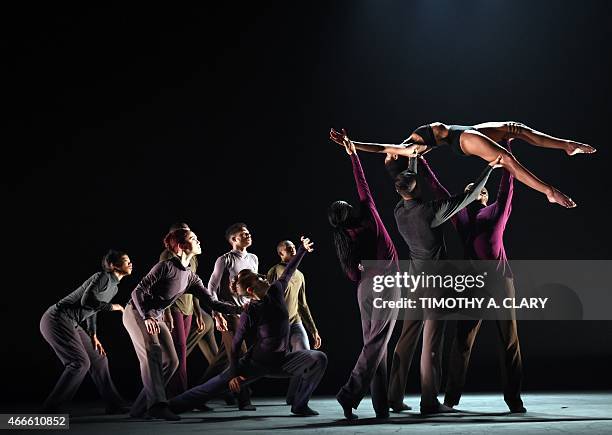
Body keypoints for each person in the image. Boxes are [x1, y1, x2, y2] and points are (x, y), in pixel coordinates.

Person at [327, 128, 501, 414]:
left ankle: (393, 398)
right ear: (417, 188)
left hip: (413, 283)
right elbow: (464, 200)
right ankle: (430, 402)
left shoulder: (399, 210)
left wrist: (413, 158)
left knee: (406, 340)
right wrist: (489, 169)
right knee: (430, 345)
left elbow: (407, 184)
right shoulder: (430, 212)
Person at [418, 142, 525, 413]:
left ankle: (514, 399)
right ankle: (451, 399)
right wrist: (422, 161)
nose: (478, 192)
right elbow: (437, 188)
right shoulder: (462, 216)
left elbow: (508, 185)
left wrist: (507, 153)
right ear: (466, 197)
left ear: (486, 197)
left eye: (481, 190)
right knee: (462, 341)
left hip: (501, 284)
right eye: (471, 191)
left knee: (509, 341)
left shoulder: (496, 212)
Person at [169, 237, 327, 417]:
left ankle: (300, 405)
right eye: (259, 279)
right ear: (251, 291)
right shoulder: (250, 312)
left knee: (318, 358)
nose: (263, 277)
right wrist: (235, 374)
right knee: (211, 388)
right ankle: (169, 406)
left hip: (281, 362)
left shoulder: (276, 290)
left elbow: (289, 270)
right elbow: (235, 346)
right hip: (254, 365)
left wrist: (302, 249)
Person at [123, 228, 242, 421]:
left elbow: (212, 303)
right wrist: (146, 316)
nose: (198, 241)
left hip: (156, 316)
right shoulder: (165, 267)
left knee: (172, 361)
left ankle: (139, 408)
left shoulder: (191, 277)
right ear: (181, 246)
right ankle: (157, 405)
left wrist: (240, 309)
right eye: (193, 238)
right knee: (153, 351)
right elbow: (137, 292)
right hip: (137, 312)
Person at [330, 122, 595, 208]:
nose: (389, 155)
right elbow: (379, 148)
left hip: (463, 129)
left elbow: (386, 149)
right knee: (505, 158)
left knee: (515, 128)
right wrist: (351, 143)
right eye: (390, 158)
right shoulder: (407, 150)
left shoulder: (407, 144)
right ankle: (549, 192)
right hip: (463, 139)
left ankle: (566, 145)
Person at [328, 136, 400, 420]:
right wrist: (353, 155)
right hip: (385, 283)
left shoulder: (343, 238)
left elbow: (350, 274)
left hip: (365, 288)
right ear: (350, 211)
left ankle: (381, 408)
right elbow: (364, 187)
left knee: (376, 346)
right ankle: (348, 394)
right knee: (377, 343)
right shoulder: (370, 219)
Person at [40, 250, 132, 413]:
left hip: (71, 322)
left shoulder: (114, 288)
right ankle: (50, 408)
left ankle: (114, 404)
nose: (130, 263)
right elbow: (87, 300)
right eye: (126, 260)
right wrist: (113, 307)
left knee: (99, 359)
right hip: (57, 318)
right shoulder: (102, 277)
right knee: (80, 363)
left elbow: (92, 309)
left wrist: (93, 335)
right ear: (113, 265)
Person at [198, 223, 258, 410]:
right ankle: (244, 399)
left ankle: (198, 395)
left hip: (246, 313)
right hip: (228, 313)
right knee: (240, 355)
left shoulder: (254, 258)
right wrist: (217, 314)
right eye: (243, 234)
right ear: (233, 239)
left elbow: (253, 287)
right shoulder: (224, 260)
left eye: (248, 233)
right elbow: (211, 288)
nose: (248, 235)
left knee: (223, 359)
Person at [159, 222, 216, 397]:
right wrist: (167, 312)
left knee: (182, 352)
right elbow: (163, 287)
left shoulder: (193, 258)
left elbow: (193, 288)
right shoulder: (166, 257)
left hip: (189, 308)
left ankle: (184, 394)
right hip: (174, 307)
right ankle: (177, 395)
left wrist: (198, 313)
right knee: (179, 352)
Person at [267, 240, 321, 406]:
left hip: (296, 321)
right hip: (278, 325)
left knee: (306, 356)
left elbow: (302, 304)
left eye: (293, 247)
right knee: (269, 362)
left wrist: (314, 330)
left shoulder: (300, 275)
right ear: (281, 254)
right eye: (288, 248)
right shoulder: (275, 271)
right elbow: (267, 299)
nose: (292, 250)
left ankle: (294, 398)